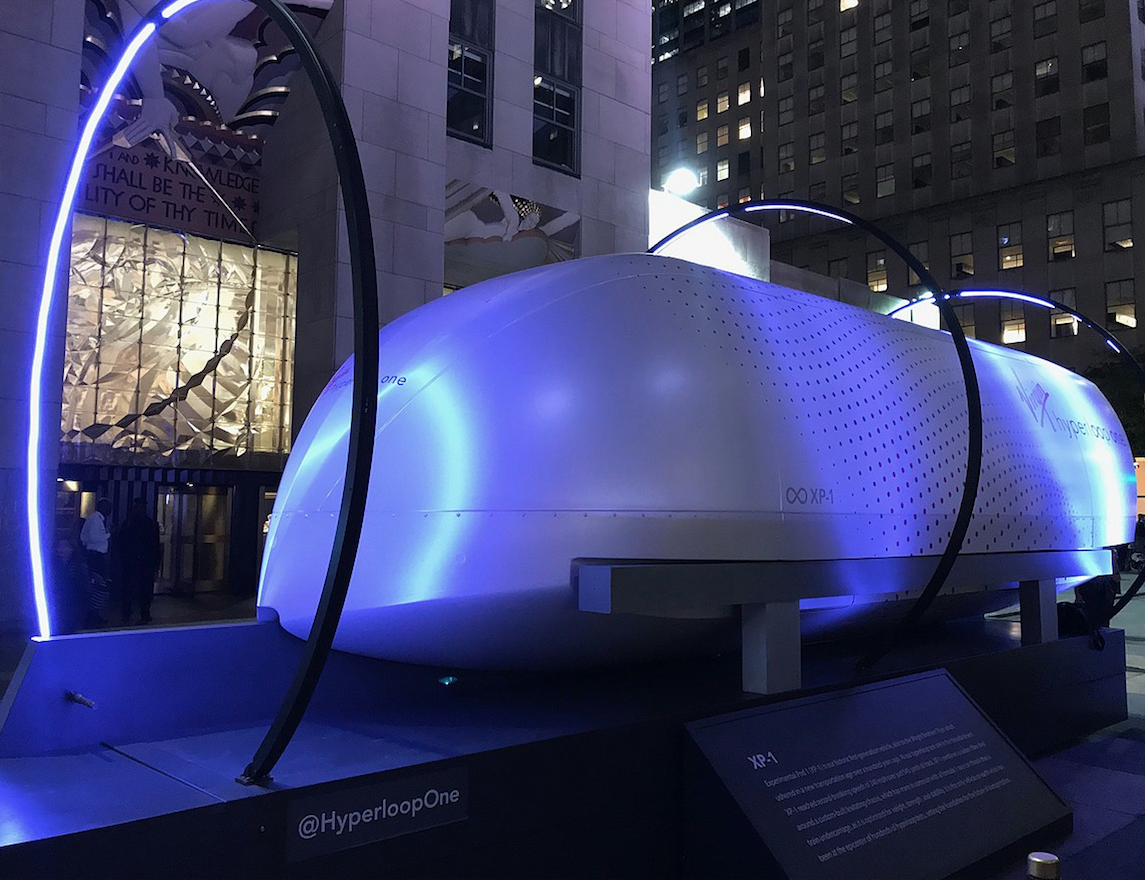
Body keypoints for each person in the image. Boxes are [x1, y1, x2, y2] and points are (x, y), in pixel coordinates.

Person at [118, 497, 162, 625]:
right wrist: (156, 565)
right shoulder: (151, 524)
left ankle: (128, 613)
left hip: (132, 562)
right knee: (144, 590)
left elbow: (122, 543)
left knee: (129, 589)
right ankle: (144, 614)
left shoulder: (129, 523)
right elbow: (155, 546)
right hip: (145, 562)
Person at [51, 536, 92, 633]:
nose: (60, 549)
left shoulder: (78, 567)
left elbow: (85, 589)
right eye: (58, 546)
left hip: (74, 607)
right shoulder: (53, 566)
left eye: (64, 546)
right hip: (59, 608)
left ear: (72, 548)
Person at [80, 498, 113, 580]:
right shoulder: (95, 519)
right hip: (95, 554)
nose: (110, 510)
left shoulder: (97, 518)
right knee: (97, 578)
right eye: (108, 507)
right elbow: (94, 538)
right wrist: (109, 535)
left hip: (95, 554)